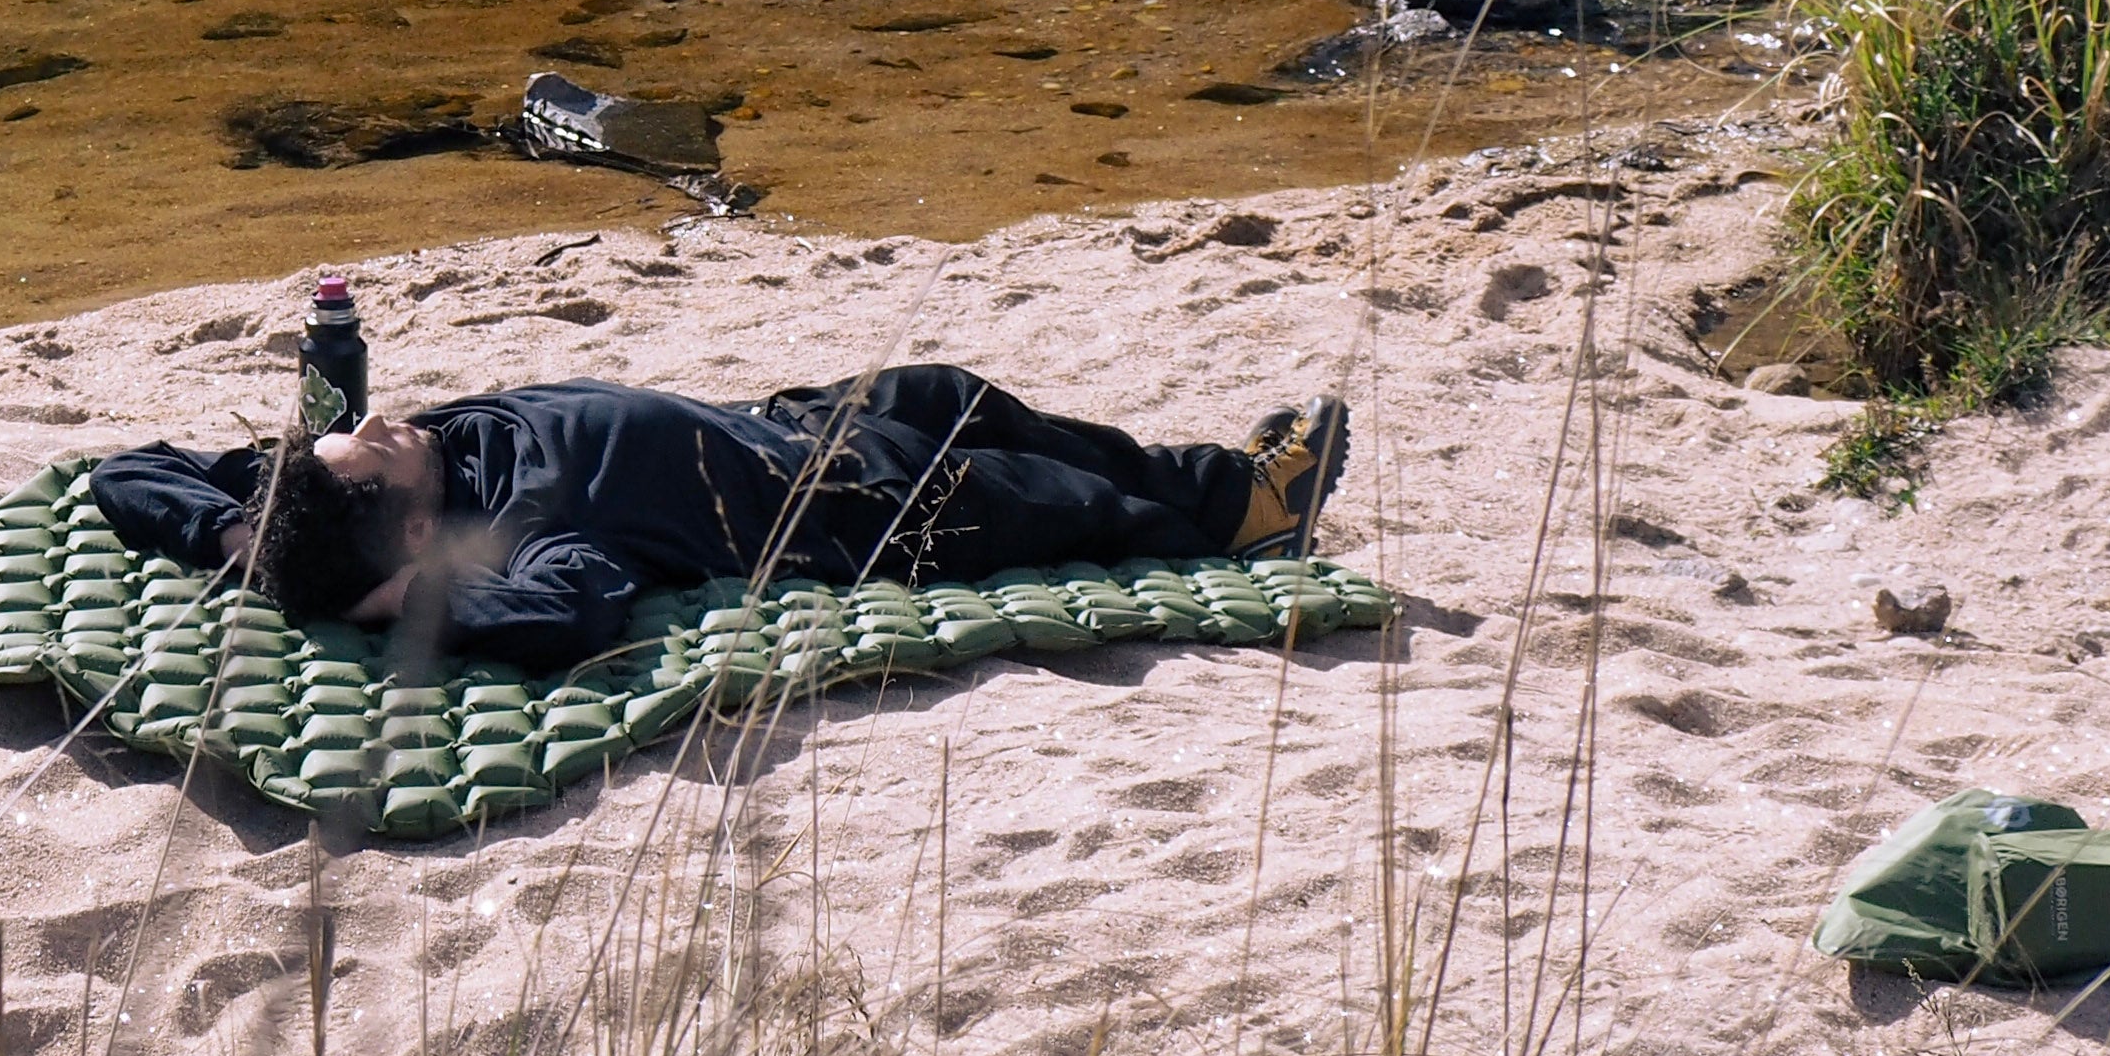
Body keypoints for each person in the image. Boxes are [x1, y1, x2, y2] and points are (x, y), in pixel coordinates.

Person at [89, 369, 1349, 675]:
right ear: (410, 536)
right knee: (1060, 502)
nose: (375, 422)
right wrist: (399, 602)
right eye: (371, 450)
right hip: (857, 508)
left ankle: (1218, 480)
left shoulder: (325, 496)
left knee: (953, 391)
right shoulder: (519, 534)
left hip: (782, 422)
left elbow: (128, 472)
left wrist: (237, 538)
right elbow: (572, 610)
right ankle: (1246, 513)